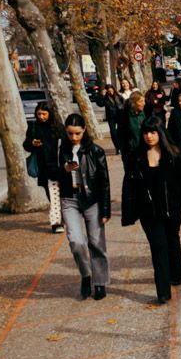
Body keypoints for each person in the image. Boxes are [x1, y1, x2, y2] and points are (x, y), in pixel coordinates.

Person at [122, 118, 181, 304]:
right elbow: (129, 186)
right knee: (158, 247)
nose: (149, 136)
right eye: (146, 133)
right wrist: (130, 212)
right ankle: (163, 290)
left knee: (172, 240)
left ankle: (177, 272)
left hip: (172, 208)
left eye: (153, 132)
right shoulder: (136, 157)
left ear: (160, 133)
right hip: (148, 211)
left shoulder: (173, 154)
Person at [53, 113, 111, 300]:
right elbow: (50, 172)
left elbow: (104, 182)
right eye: (70, 133)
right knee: (76, 242)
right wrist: (64, 169)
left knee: (96, 242)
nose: (74, 137)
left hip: (92, 200)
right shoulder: (61, 149)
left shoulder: (96, 151)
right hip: (70, 200)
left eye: (77, 133)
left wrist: (105, 210)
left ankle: (100, 282)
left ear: (84, 130)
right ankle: (86, 275)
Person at [23, 101, 65, 232]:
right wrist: (32, 143)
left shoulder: (59, 127)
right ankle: (57, 223)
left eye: (44, 114)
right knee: (52, 195)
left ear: (50, 113)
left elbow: (66, 143)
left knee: (63, 194)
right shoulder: (34, 127)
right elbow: (26, 144)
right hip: (44, 166)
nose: (41, 117)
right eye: (39, 114)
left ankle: (64, 218)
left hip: (59, 165)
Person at [110, 90, 148, 164]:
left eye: (144, 101)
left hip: (144, 151)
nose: (144, 103)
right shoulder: (125, 116)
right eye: (141, 101)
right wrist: (126, 150)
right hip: (130, 153)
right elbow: (121, 135)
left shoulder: (145, 113)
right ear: (134, 103)